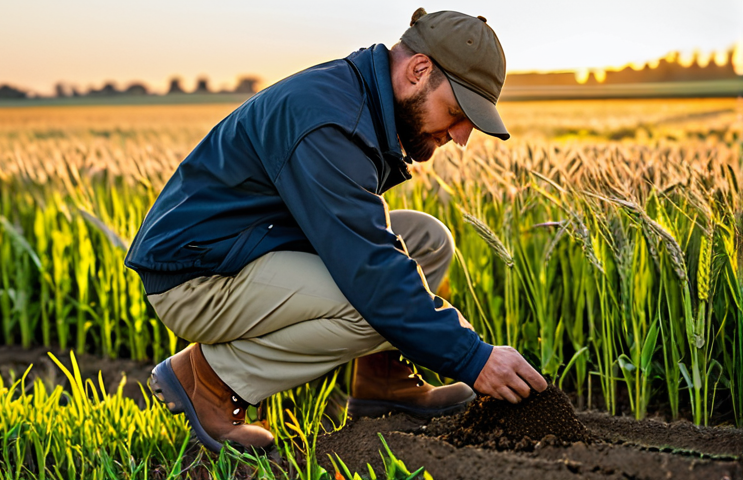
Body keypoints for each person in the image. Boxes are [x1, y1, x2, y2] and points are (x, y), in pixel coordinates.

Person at [125, 8, 547, 453]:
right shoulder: (330, 121)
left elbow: (366, 248)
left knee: (427, 239)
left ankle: (384, 383)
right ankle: (210, 379)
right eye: (458, 112)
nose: (461, 136)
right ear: (419, 70)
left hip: (253, 245)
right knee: (372, 303)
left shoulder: (356, 97)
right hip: (201, 277)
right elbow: (372, 275)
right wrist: (474, 358)